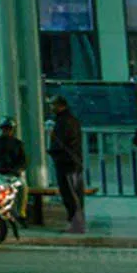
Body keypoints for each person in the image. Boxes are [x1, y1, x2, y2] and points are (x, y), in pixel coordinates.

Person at [48, 94, 86, 233]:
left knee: (70, 194)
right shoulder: (70, 120)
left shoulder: (63, 122)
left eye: (53, 105)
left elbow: (61, 143)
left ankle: (76, 224)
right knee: (75, 193)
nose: (51, 108)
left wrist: (52, 150)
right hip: (73, 161)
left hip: (66, 162)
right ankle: (77, 223)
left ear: (60, 105)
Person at [0, 117, 29, 216]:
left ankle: (21, 212)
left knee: (23, 187)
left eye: (9, 129)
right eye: (5, 129)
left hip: (13, 175)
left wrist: (17, 170)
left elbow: (23, 162)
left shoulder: (18, 144)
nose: (6, 131)